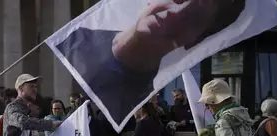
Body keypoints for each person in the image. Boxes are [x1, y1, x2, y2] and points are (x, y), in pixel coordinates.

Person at [54, 0, 246, 125]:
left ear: (194, 41)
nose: (176, 12)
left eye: (192, 18)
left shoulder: (137, 102)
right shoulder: (74, 41)